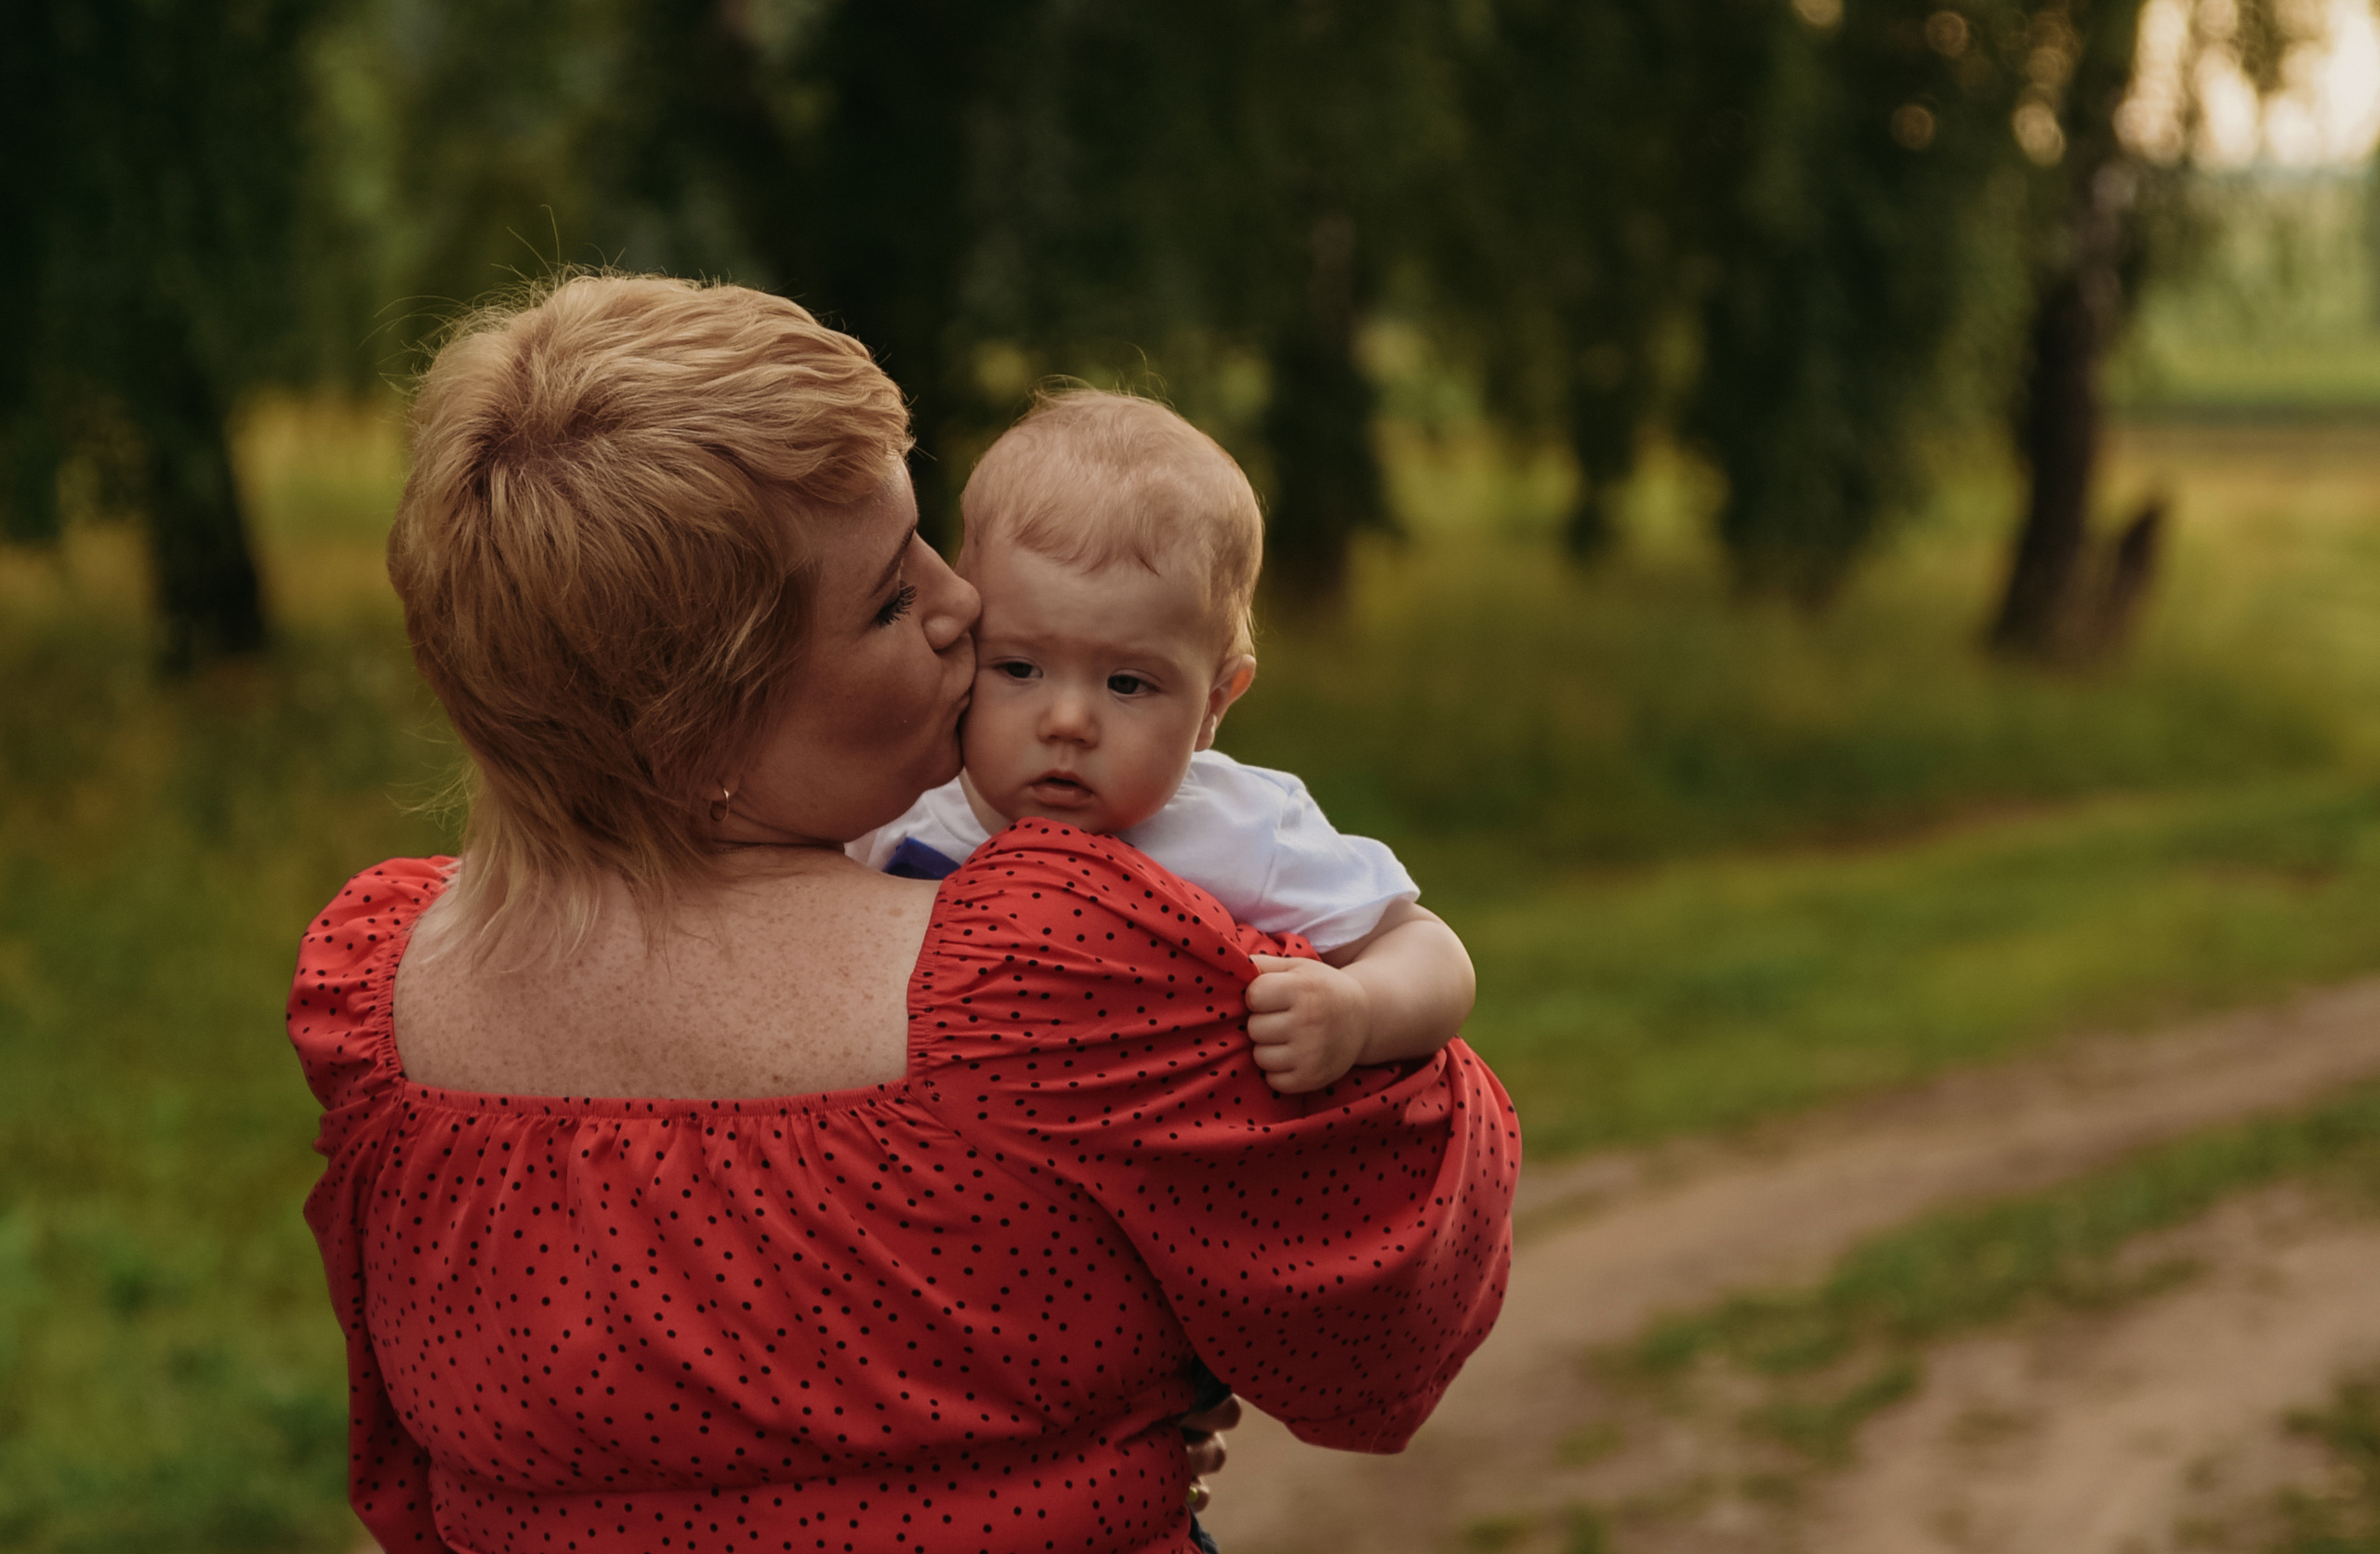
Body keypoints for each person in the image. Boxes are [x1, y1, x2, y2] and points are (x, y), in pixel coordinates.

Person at [287, 273, 1519, 1554]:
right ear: (699, 726)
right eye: (888, 599)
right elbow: (1382, 1338)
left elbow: (417, 1487)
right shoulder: (1050, 977)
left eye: (927, 541)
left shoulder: (384, 1002)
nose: (962, 605)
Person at [853, 390, 1475, 1096]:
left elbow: (1429, 949)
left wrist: (1358, 1011)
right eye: (1019, 669)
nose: (1068, 721)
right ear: (964, 645)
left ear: (1214, 704)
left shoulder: (1242, 827)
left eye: (1127, 684)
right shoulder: (899, 800)